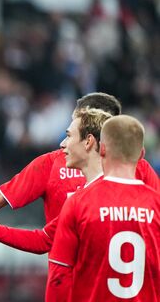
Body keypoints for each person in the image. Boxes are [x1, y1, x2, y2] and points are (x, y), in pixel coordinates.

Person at [0, 92, 159, 229]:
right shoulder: (138, 169)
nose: (64, 140)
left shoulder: (55, 167)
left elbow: (41, 239)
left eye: (75, 126)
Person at [0, 107, 111, 254]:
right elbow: (44, 240)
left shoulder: (79, 201)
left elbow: (43, 241)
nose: (62, 144)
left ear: (88, 141)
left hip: (83, 290)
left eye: (68, 136)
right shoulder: (130, 191)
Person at [46, 115, 160, 301]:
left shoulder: (78, 203)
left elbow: (59, 275)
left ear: (103, 149)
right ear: (141, 154)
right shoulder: (157, 204)